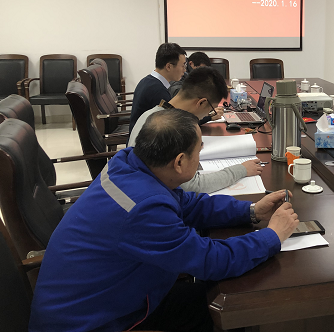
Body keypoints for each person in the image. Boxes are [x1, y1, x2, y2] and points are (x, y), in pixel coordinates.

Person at [29, 108, 299, 332]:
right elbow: (211, 261)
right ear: (179, 162)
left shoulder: (128, 164)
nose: (200, 156)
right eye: (199, 150)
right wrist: (272, 236)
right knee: (234, 307)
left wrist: (251, 211)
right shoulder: (143, 208)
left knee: (217, 298)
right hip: (94, 322)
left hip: (109, 297)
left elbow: (188, 204)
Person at [129, 66, 258, 194]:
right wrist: (241, 170)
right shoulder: (171, 131)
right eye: (210, 110)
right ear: (201, 103)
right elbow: (193, 186)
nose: (208, 114)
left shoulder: (150, 115)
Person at [129, 43, 187, 133]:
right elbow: (174, 124)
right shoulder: (157, 91)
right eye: (183, 66)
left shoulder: (147, 81)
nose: (184, 70)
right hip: (143, 139)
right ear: (169, 66)